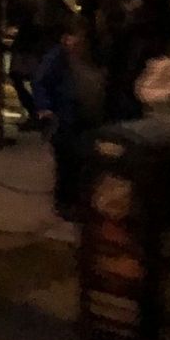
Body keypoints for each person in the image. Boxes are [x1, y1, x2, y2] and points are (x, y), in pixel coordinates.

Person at [33, 21, 105, 220]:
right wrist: (45, 108)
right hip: (65, 117)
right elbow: (41, 82)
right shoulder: (57, 58)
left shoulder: (90, 57)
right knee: (67, 161)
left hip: (86, 115)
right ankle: (65, 203)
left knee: (81, 161)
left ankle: (78, 201)